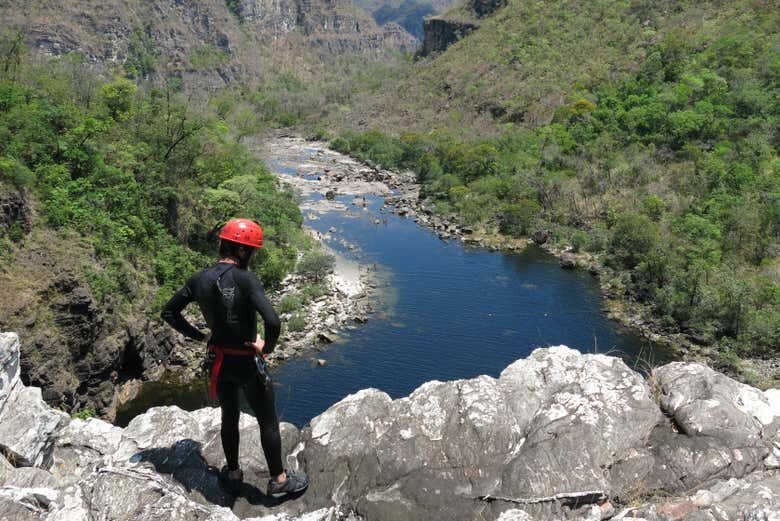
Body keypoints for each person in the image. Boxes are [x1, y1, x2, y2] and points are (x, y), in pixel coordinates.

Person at [161, 218, 309, 498]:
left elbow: (169, 313)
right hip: (246, 363)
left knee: (229, 417)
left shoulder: (199, 279)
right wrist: (266, 348)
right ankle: (278, 480)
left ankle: (232, 473)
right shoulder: (246, 279)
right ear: (243, 251)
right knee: (267, 420)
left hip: (220, 361)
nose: (253, 256)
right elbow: (273, 321)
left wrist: (201, 336)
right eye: (253, 251)